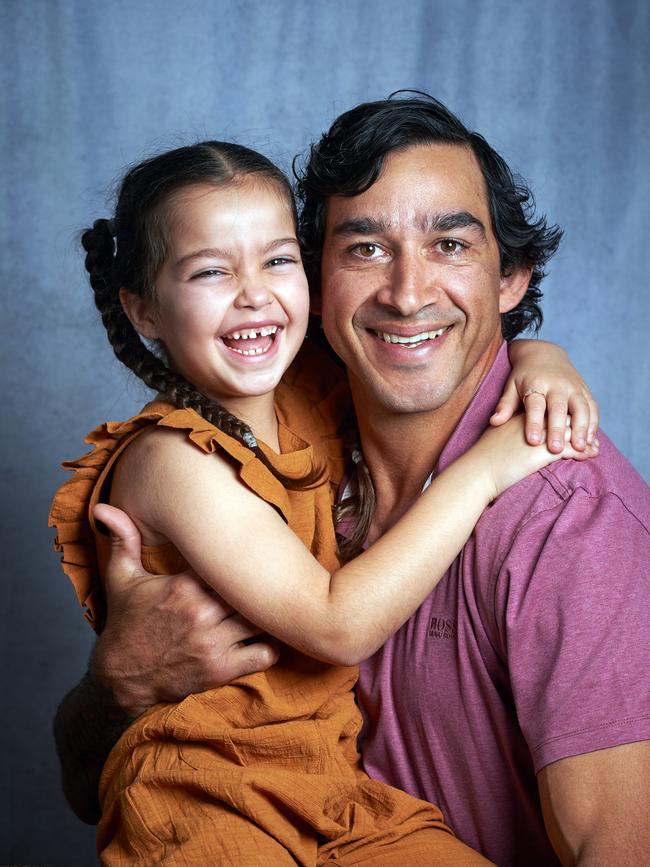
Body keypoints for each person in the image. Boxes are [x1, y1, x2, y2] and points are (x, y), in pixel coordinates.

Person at [54, 93, 650, 864]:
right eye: (364, 248)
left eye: (450, 245)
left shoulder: (569, 520)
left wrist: (538, 356)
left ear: (512, 281)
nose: (406, 292)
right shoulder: (289, 432)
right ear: (322, 284)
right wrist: (118, 685)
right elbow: (94, 785)